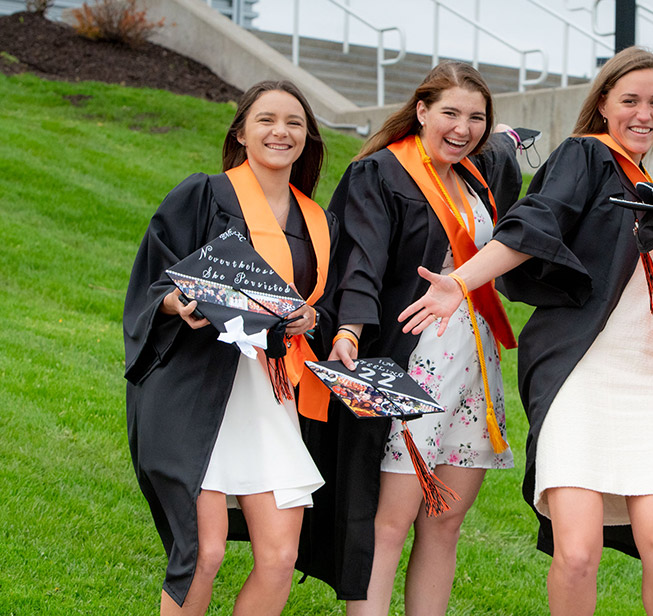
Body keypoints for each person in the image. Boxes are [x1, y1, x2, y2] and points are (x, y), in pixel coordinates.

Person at [401, 47, 653, 616]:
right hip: (581, 373)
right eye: (630, 101)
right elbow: (536, 220)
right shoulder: (586, 156)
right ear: (602, 105)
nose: (644, 114)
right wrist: (462, 282)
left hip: (650, 378)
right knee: (577, 550)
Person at [299, 61, 521, 615]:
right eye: (449, 112)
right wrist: (349, 329)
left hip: (474, 364)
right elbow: (361, 262)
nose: (463, 127)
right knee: (389, 522)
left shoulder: (477, 176)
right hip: (412, 365)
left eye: (476, 117)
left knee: (444, 523)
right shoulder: (381, 174)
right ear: (421, 111)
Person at [123, 80, 336, 615]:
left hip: (271, 396)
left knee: (281, 555)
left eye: (293, 122)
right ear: (241, 132)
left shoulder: (319, 221)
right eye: (266, 119)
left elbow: (320, 305)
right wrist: (177, 303)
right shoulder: (205, 195)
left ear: (308, 137)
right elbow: (155, 279)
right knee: (205, 551)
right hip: (199, 389)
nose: (280, 131)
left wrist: (313, 317)